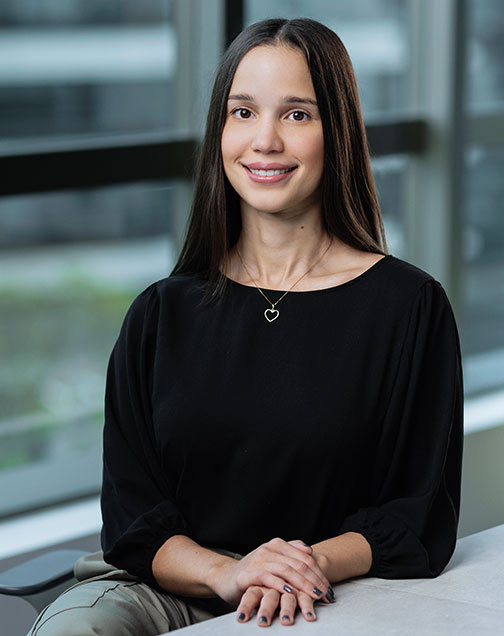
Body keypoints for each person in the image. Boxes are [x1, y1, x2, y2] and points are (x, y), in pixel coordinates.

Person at [28, 17, 462, 635]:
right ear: (221, 130)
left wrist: (295, 566)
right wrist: (228, 574)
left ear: (336, 132)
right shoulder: (160, 314)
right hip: (170, 592)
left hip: (321, 593)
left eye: (296, 114)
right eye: (242, 112)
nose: (264, 141)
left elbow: (417, 514)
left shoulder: (409, 307)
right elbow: (133, 519)